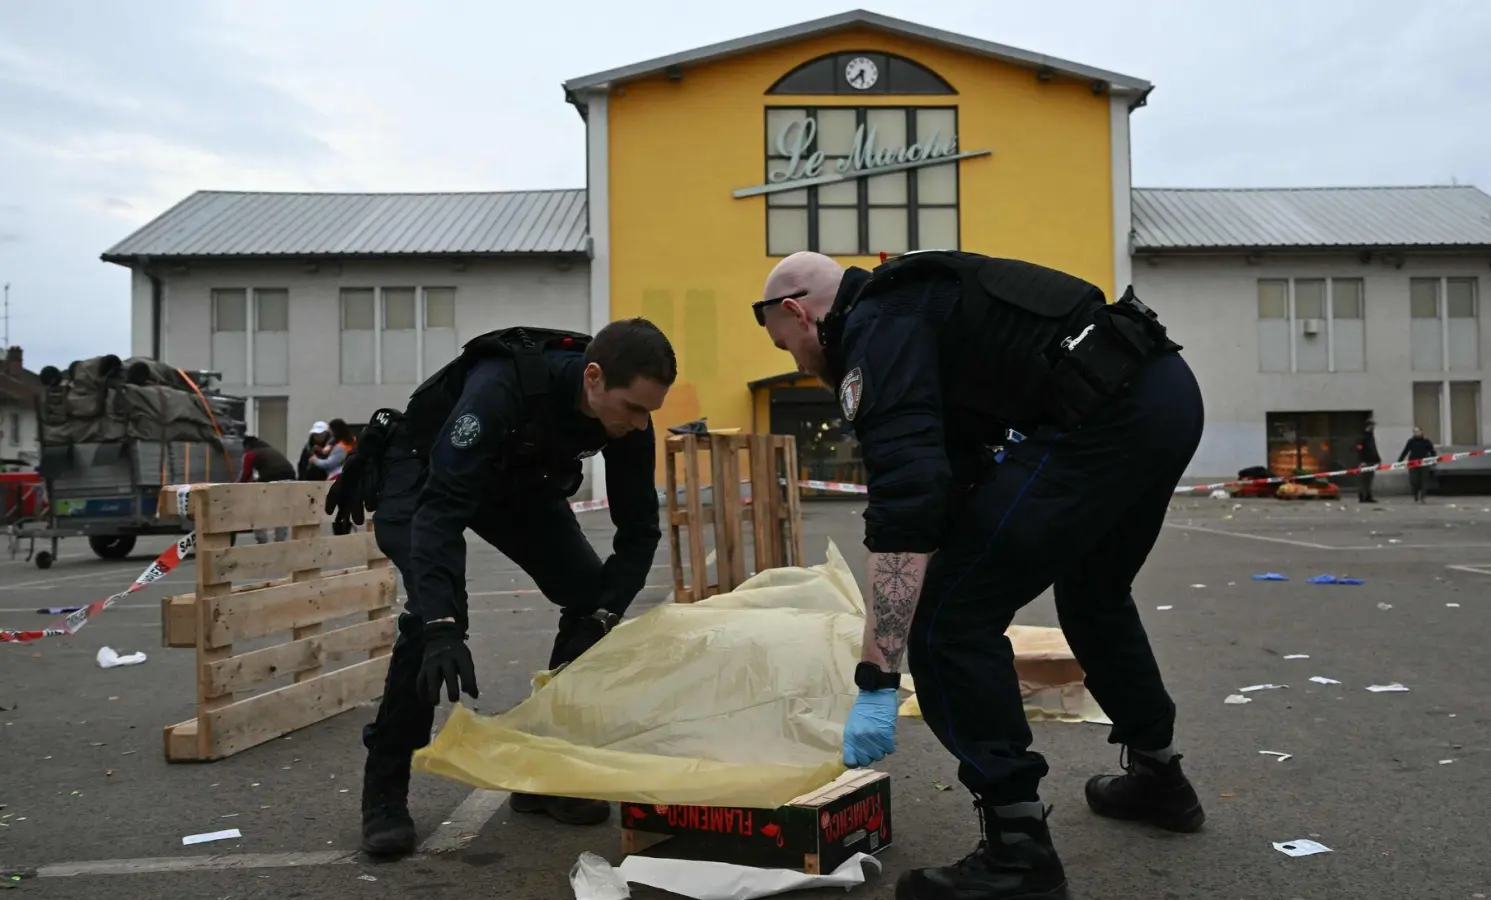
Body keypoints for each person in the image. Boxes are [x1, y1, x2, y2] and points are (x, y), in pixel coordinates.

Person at [755, 250, 1205, 900]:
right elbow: (954, 480)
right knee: (1093, 593)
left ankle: (1018, 848)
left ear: (798, 312)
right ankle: (1161, 779)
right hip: (1164, 396)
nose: (796, 361)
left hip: (1106, 417)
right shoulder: (917, 308)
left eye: (785, 344)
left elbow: (906, 497)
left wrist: (878, 673)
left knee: (946, 622)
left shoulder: (876, 327)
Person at [325, 319, 676, 858]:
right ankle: (386, 791)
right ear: (594, 377)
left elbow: (640, 531)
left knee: (589, 600)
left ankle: (544, 773)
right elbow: (440, 512)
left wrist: (603, 616)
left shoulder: (630, 419)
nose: (639, 423)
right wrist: (443, 625)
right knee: (430, 623)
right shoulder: (499, 387)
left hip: (515, 482)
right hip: (424, 471)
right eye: (632, 408)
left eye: (649, 412)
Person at [239, 435, 297, 543]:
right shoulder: (271, 450)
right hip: (291, 479)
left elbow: (246, 475)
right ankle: (280, 541)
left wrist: (237, 488)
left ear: (246, 446)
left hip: (273, 480)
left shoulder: (250, 453)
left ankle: (262, 541)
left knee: (258, 510)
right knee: (282, 510)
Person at [1397, 427, 1436, 503]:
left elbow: (1432, 451)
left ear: (1421, 432)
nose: (1416, 433)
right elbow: (1406, 450)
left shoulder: (1426, 441)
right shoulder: (1411, 441)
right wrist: (1400, 460)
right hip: (1413, 462)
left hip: (1424, 463)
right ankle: (1415, 495)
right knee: (1413, 480)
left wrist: (1434, 460)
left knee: (1424, 480)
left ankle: (1423, 497)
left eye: (1417, 431)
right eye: (1414, 432)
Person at [1355, 419, 1381, 503]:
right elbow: (1359, 450)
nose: (1373, 428)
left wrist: (1378, 459)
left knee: (1369, 480)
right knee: (1364, 480)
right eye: (1372, 426)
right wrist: (1361, 461)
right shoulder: (1362, 437)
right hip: (1365, 462)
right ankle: (1363, 496)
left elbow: (1373, 449)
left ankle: (1368, 496)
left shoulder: (1371, 437)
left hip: (1372, 461)